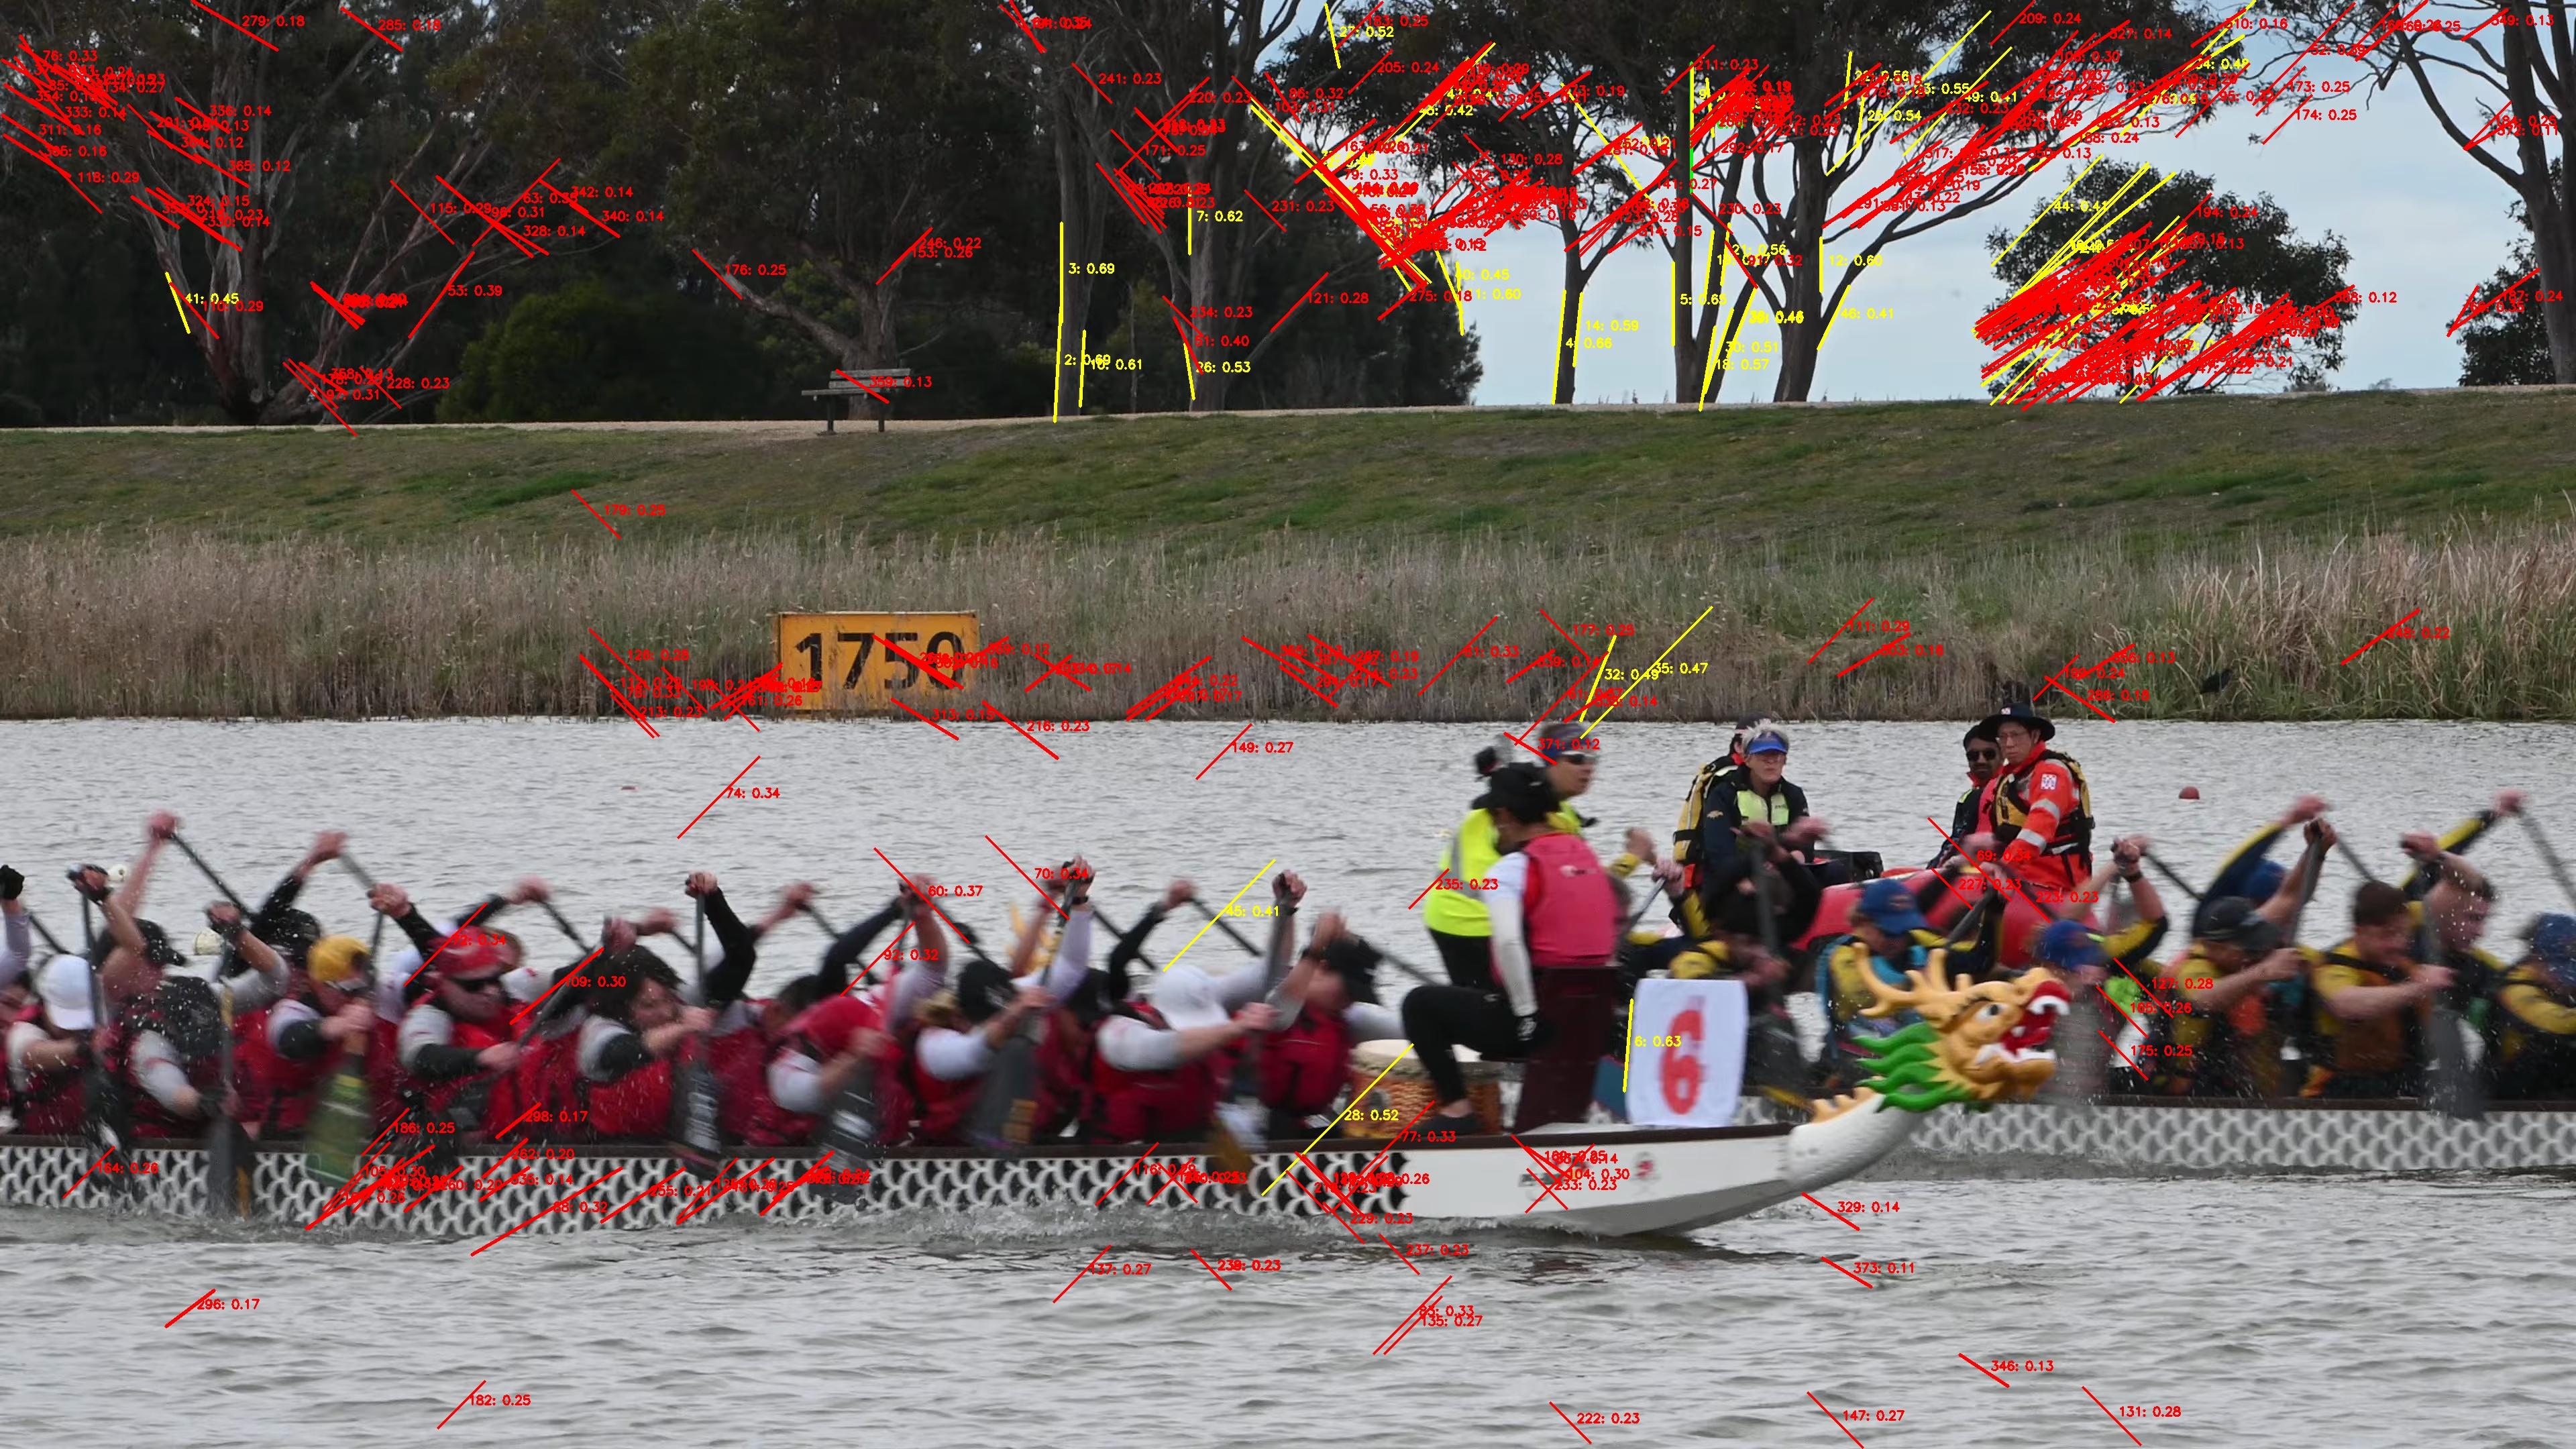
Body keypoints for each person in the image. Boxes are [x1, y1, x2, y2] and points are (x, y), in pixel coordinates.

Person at [1403, 762, 1622, 1133]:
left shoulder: (1510, 870)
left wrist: (1526, 1016)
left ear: (1503, 816)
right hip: (1593, 1022)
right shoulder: (1586, 857)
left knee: (1420, 1005)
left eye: (1493, 817)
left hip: (1543, 1026)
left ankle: (1458, 1111)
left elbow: (1506, 942)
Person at [1423, 720, 1601, 989]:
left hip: (1460, 913)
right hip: (1471, 921)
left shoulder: (1539, 800)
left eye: (1593, 758)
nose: (1588, 767)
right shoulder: (1547, 815)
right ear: (1550, 762)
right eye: (1576, 758)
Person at [370, 881, 525, 1135]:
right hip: (437, 1124)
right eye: (474, 981)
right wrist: (405, 914)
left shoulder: (513, 991)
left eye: (498, 974)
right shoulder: (420, 995)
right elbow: (420, 1056)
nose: (490, 989)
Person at [2299, 880, 2453, 1099]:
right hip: (2336, 1097)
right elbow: (2346, 1004)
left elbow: (2458, 894)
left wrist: (2436, 856)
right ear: (2358, 932)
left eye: (2403, 934)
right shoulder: (2333, 968)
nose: (2398, 944)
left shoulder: (2406, 924)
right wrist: (2418, 988)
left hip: (2401, 1086)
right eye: (2387, 935)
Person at [1258, 918, 1405, 1140]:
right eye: (1347, 991)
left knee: (1390, 1118)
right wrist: (1316, 946)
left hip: (1311, 1127)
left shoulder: (1345, 1021)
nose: (1349, 1001)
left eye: (1356, 995)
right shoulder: (1275, 1008)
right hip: (1260, 1133)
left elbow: (1413, 1033)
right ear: (1321, 969)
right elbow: (1282, 998)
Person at [231, 934, 378, 1138]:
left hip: (366, 1124)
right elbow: (286, 1037)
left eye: (365, 987)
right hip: (291, 1137)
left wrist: (404, 914)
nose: (359, 996)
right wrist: (332, 1027)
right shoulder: (290, 1010)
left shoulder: (379, 995)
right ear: (320, 985)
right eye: (349, 990)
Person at [1813, 877, 1950, 1093]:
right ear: (1864, 923)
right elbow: (1864, 996)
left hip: (1911, 1056)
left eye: (1902, 932)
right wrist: (1918, 982)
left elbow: (1969, 954)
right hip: (1855, 1063)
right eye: (1889, 932)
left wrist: (1994, 913)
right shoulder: (1843, 956)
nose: (1898, 940)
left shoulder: (1914, 941)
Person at [1969, 702, 2094, 896]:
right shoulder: (2009, 777)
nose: (2008, 744)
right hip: (2023, 874)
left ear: (2035, 736)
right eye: (2002, 737)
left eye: (2016, 735)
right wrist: (1966, 859)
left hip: (2055, 883)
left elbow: (2040, 825)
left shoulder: (2051, 773)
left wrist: (2006, 864)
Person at [6, 953, 97, 1135]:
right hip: (39, 1144)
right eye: (65, 1019)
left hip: (92, 1136)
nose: (73, 1029)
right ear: (44, 1004)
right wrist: (86, 1048)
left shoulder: (102, 1016)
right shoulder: (22, 1033)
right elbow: (36, 1056)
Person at [2490, 914, 2576, 1100]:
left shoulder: (2558, 987)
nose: (2566, 982)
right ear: (2536, 959)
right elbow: (2557, 1024)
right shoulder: (2515, 991)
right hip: (2511, 1104)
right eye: (2559, 970)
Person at [1928, 722, 2002, 869]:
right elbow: (1954, 842)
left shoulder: (2009, 792)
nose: (1981, 760)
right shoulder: (1968, 797)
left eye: (1989, 754)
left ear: (2003, 755)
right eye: (1973, 756)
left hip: (1988, 870)